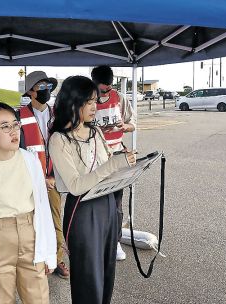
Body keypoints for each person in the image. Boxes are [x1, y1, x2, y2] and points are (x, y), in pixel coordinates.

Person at [48, 76, 136, 304]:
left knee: (107, 270)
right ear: (72, 102)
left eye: (95, 101)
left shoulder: (95, 132)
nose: (94, 107)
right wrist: (115, 164)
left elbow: (108, 169)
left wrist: (128, 165)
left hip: (108, 205)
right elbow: (76, 185)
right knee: (88, 276)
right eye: (88, 102)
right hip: (82, 211)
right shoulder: (59, 139)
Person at [0, 102, 57, 304]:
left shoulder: (30, 160)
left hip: (30, 232)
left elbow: (42, 207)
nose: (14, 131)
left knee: (39, 298)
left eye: (15, 125)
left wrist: (49, 252)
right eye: (5, 127)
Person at [19, 71, 69, 278]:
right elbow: (17, 151)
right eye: (41, 87)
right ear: (30, 92)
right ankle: (35, 260)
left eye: (48, 86)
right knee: (30, 224)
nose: (46, 90)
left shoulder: (59, 114)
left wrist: (54, 177)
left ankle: (57, 260)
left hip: (53, 180)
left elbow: (66, 149)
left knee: (56, 221)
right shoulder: (18, 117)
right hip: (28, 181)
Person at [91, 65, 136, 261]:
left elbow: (132, 122)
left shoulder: (119, 98)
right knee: (95, 202)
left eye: (109, 88)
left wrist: (125, 126)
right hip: (94, 159)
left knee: (116, 203)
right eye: (103, 89)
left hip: (117, 154)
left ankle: (115, 241)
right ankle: (96, 240)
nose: (106, 92)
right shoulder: (86, 99)